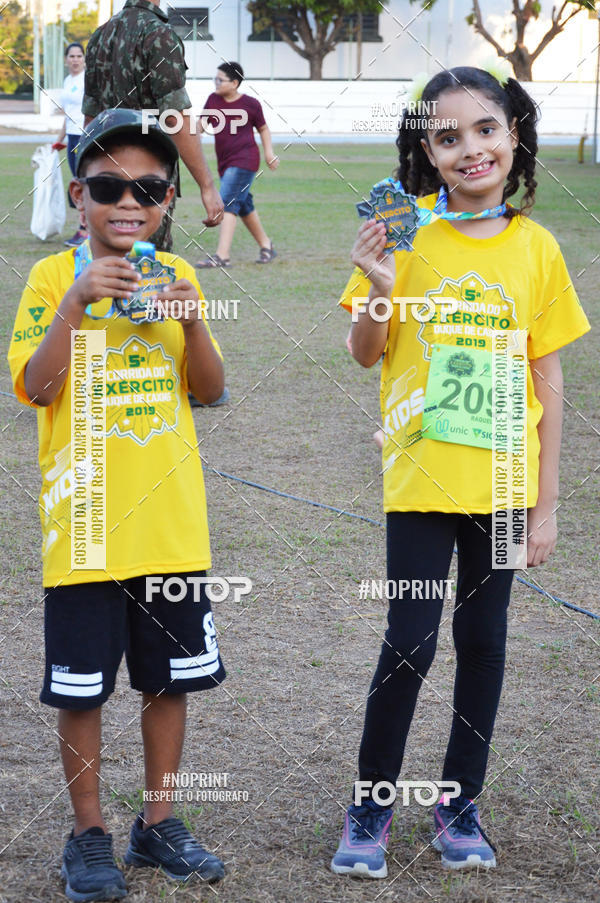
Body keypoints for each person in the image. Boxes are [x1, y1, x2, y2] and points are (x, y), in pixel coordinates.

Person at [332, 66, 590, 878]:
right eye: (448, 137)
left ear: (514, 134)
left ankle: (459, 801)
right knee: (409, 642)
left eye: (486, 129)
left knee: (484, 642)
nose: (471, 149)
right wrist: (380, 288)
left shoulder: (537, 247)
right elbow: (364, 352)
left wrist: (547, 504)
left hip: (507, 489)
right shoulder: (403, 234)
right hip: (421, 484)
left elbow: (548, 378)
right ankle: (371, 804)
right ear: (427, 153)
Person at [8, 109, 227, 902]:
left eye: (149, 189)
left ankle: (158, 822)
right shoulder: (50, 279)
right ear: (79, 196)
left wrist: (192, 321)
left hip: (169, 525)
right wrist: (76, 301)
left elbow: (211, 389)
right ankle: (89, 832)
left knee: (168, 681)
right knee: (81, 688)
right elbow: (37, 387)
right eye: (108, 187)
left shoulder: (178, 274)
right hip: (87, 525)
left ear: (167, 201)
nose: (128, 202)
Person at [82, 0, 224, 252]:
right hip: (147, 175)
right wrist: (207, 186)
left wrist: (86, 181)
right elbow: (174, 118)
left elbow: (90, 119)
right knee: (147, 261)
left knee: (110, 256)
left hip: (105, 174)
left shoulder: (100, 35)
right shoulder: (159, 34)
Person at [196, 62, 278, 268]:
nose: (216, 83)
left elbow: (263, 129)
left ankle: (222, 256)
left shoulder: (251, 104)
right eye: (215, 79)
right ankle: (266, 245)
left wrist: (269, 153)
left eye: (220, 80)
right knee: (244, 205)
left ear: (234, 83)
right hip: (224, 162)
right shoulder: (213, 100)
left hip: (245, 160)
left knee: (227, 202)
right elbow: (200, 126)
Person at [52, 42, 88, 247]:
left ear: (84, 59)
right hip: (72, 137)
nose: (75, 60)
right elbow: (68, 115)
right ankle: (85, 228)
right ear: (66, 60)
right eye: (71, 56)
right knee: (77, 180)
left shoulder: (87, 80)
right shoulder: (68, 81)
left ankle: (85, 230)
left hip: (84, 136)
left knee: (83, 182)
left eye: (79, 56)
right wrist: (59, 139)